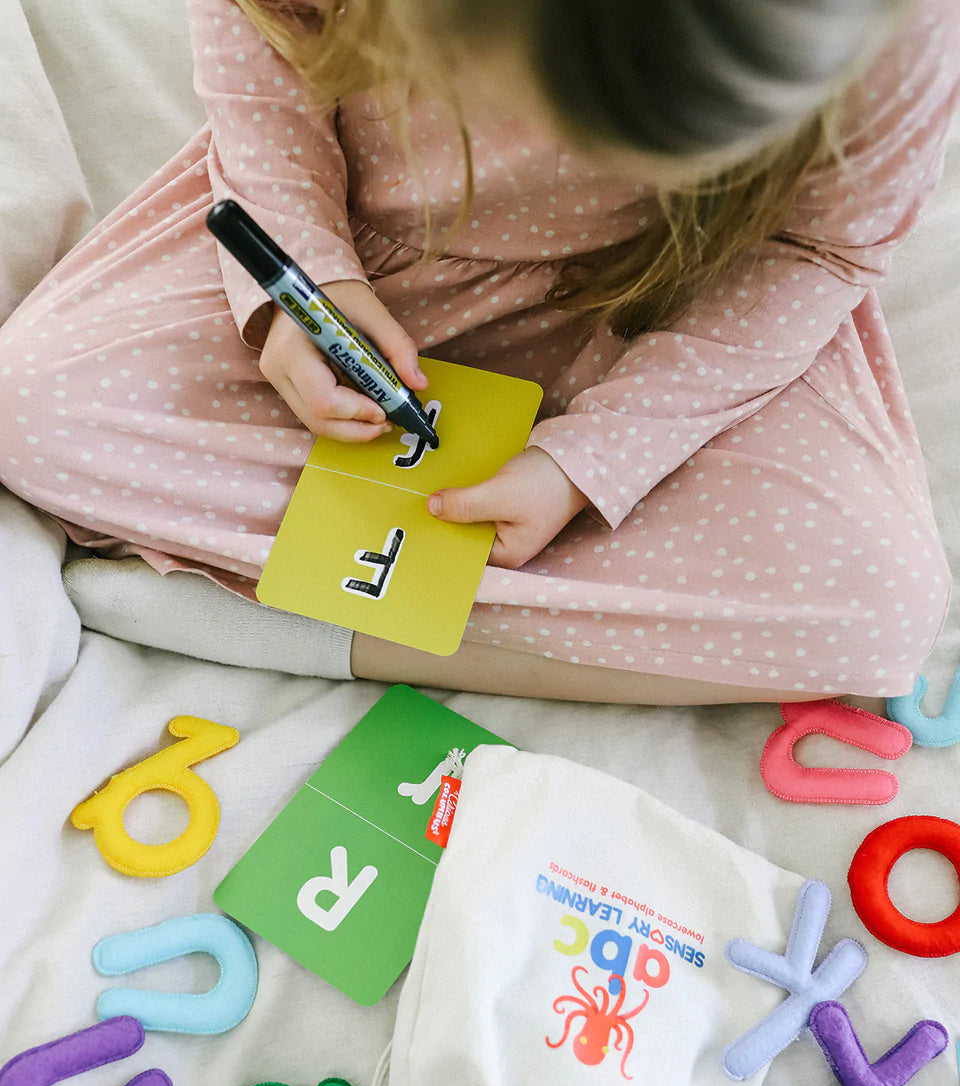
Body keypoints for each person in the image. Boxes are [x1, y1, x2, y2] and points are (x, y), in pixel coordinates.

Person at [0, 0, 957, 704]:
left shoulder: (893, 34)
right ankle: (416, 603)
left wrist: (592, 462)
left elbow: (819, 247)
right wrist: (310, 281)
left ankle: (312, 627)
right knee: (30, 407)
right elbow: (263, 38)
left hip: (665, 309)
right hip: (370, 242)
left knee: (883, 606)